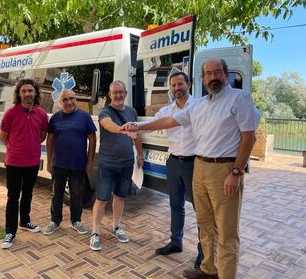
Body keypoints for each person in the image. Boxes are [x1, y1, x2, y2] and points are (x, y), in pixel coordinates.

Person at [121, 59, 260, 279]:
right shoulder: (200, 105)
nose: (213, 77)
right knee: (204, 223)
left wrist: (236, 172)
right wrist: (138, 126)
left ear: (226, 74)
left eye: (217, 73)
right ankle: (208, 267)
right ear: (203, 79)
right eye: (208, 74)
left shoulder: (239, 99)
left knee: (226, 231)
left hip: (224, 168)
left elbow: (249, 138)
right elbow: (168, 120)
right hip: (200, 167)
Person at [146, 68, 203, 268]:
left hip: (195, 163)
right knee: (175, 205)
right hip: (174, 162)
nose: (177, 88)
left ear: (189, 84)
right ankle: (176, 242)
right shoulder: (167, 111)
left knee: (201, 209)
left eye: (180, 84)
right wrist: (131, 125)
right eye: (173, 85)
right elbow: (153, 122)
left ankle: (204, 252)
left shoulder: (199, 106)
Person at [90, 80, 144, 251]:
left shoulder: (131, 111)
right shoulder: (104, 111)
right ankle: (95, 232)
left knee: (120, 197)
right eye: (115, 93)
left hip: (127, 162)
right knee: (102, 199)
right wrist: (122, 128)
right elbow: (108, 125)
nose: (118, 95)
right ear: (110, 95)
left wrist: (140, 154)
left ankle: (116, 227)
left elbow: (137, 135)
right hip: (107, 162)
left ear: (126, 93)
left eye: (121, 92)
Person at [0, 79, 48, 249]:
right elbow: (3, 136)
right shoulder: (11, 113)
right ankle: (10, 232)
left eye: (30, 90)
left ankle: (25, 221)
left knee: (28, 193)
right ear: (19, 94)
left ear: (36, 93)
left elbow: (42, 136)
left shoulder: (41, 114)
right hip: (14, 162)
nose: (27, 94)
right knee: (13, 197)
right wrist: (14, 148)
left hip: (32, 161)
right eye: (24, 91)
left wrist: (29, 147)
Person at [43, 89, 97, 235]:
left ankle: (76, 220)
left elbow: (92, 138)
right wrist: (49, 162)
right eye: (65, 100)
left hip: (78, 164)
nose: (69, 102)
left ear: (76, 99)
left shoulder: (84, 117)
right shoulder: (55, 118)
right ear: (60, 103)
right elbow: (49, 139)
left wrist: (90, 161)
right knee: (57, 194)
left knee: (77, 194)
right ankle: (55, 221)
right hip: (58, 164)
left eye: (71, 98)